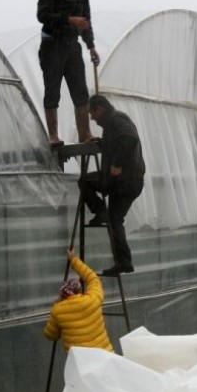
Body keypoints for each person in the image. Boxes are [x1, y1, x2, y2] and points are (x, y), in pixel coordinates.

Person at [37, 0, 99, 147]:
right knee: (52, 90)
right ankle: (53, 135)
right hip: (52, 45)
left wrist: (91, 46)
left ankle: (85, 134)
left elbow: (86, 20)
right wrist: (69, 20)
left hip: (73, 46)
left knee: (80, 91)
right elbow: (42, 15)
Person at [83, 95, 146, 275]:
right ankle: (124, 262)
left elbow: (129, 139)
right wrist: (100, 142)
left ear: (100, 108)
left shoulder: (116, 119)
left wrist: (117, 164)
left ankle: (100, 211)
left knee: (85, 181)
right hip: (126, 181)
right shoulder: (113, 123)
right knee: (114, 220)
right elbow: (118, 142)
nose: (92, 118)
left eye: (92, 113)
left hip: (125, 180)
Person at [44, 247, 114, 352]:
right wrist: (74, 260)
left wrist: (55, 306)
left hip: (81, 364)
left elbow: (50, 335)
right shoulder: (93, 299)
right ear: (79, 290)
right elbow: (93, 279)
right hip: (105, 358)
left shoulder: (58, 311)